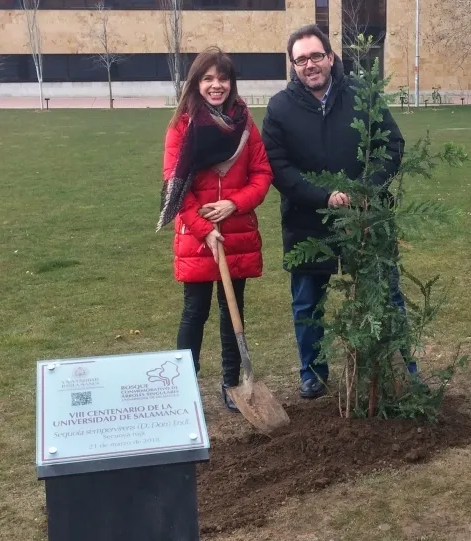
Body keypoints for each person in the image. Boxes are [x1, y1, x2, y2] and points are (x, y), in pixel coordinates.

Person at [262, 24, 409, 399]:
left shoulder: (363, 95)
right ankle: (312, 373)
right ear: (293, 66)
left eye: (315, 56)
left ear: (330, 57)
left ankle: (400, 365)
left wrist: (366, 189)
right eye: (300, 59)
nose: (309, 64)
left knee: (384, 296)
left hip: (365, 218)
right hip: (307, 222)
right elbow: (278, 166)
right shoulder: (280, 108)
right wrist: (322, 196)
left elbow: (391, 146)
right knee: (308, 304)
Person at [157, 47, 273, 412]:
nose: (216, 85)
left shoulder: (245, 123)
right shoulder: (181, 127)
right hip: (196, 236)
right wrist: (203, 227)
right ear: (196, 83)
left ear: (232, 83)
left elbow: (262, 174)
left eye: (222, 78)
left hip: (236, 232)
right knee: (195, 312)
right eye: (208, 78)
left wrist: (234, 204)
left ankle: (231, 384)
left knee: (232, 310)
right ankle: (184, 387)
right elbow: (175, 184)